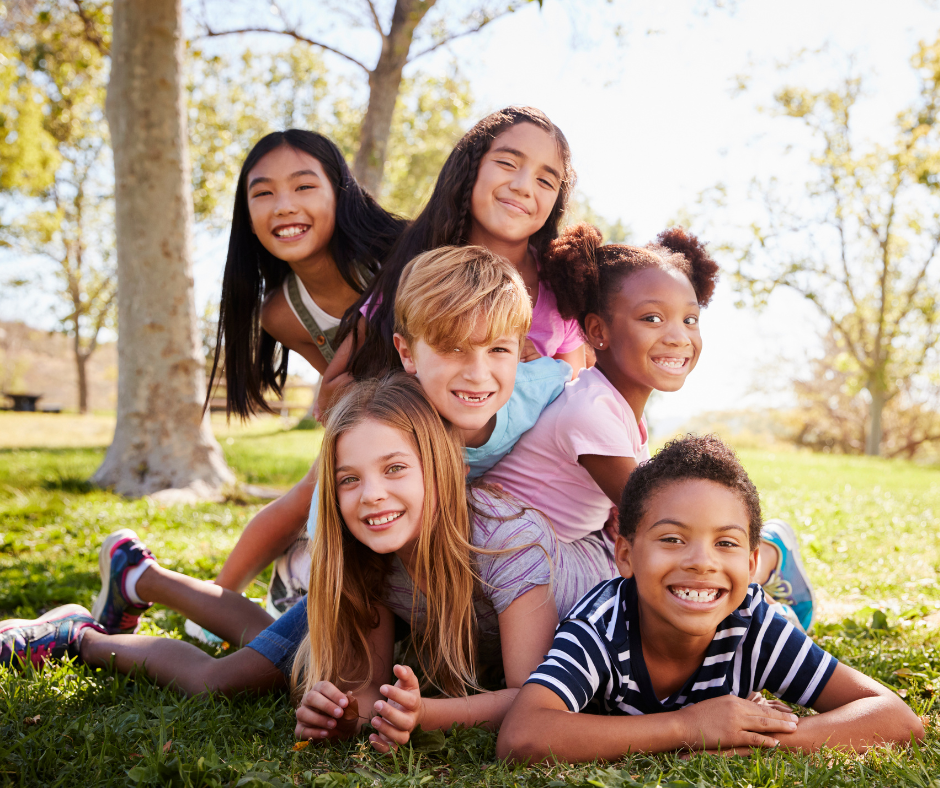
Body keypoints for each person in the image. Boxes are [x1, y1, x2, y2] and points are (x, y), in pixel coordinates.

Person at [0, 376, 610, 751]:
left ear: (440, 467)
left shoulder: (506, 541)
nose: (371, 495)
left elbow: (534, 698)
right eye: (349, 479)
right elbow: (368, 687)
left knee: (266, 645)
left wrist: (422, 716)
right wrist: (348, 710)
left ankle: (139, 576)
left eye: (395, 469)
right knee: (246, 667)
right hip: (436, 633)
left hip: (579, 620)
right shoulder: (367, 556)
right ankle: (77, 635)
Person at [496, 435, 926, 762]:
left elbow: (895, 717)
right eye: (672, 538)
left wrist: (759, 740)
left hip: (748, 609)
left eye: (726, 543)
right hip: (695, 611)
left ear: (750, 559)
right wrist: (688, 726)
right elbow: (523, 734)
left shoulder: (752, 622)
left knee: (787, 623)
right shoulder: (601, 626)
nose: (701, 561)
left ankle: (777, 553)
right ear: (625, 555)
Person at [483, 223, 815, 631]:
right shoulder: (590, 409)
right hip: (517, 555)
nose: (678, 336)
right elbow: (657, 517)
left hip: (555, 552)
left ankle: (763, 564)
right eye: (653, 318)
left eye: (690, 320)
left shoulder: (616, 408)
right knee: (669, 570)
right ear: (598, 332)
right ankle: (764, 563)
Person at [315, 105, 586, 419]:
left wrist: (530, 374)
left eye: (546, 181)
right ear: (470, 167)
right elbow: (331, 393)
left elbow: (575, 402)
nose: (523, 186)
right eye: (507, 163)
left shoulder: (560, 291)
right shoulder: (418, 274)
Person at [207, 129, 405, 420]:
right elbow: (352, 403)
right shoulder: (282, 316)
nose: (284, 207)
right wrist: (333, 401)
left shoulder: (405, 256)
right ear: (248, 218)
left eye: (304, 187)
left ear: (340, 194)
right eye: (263, 193)